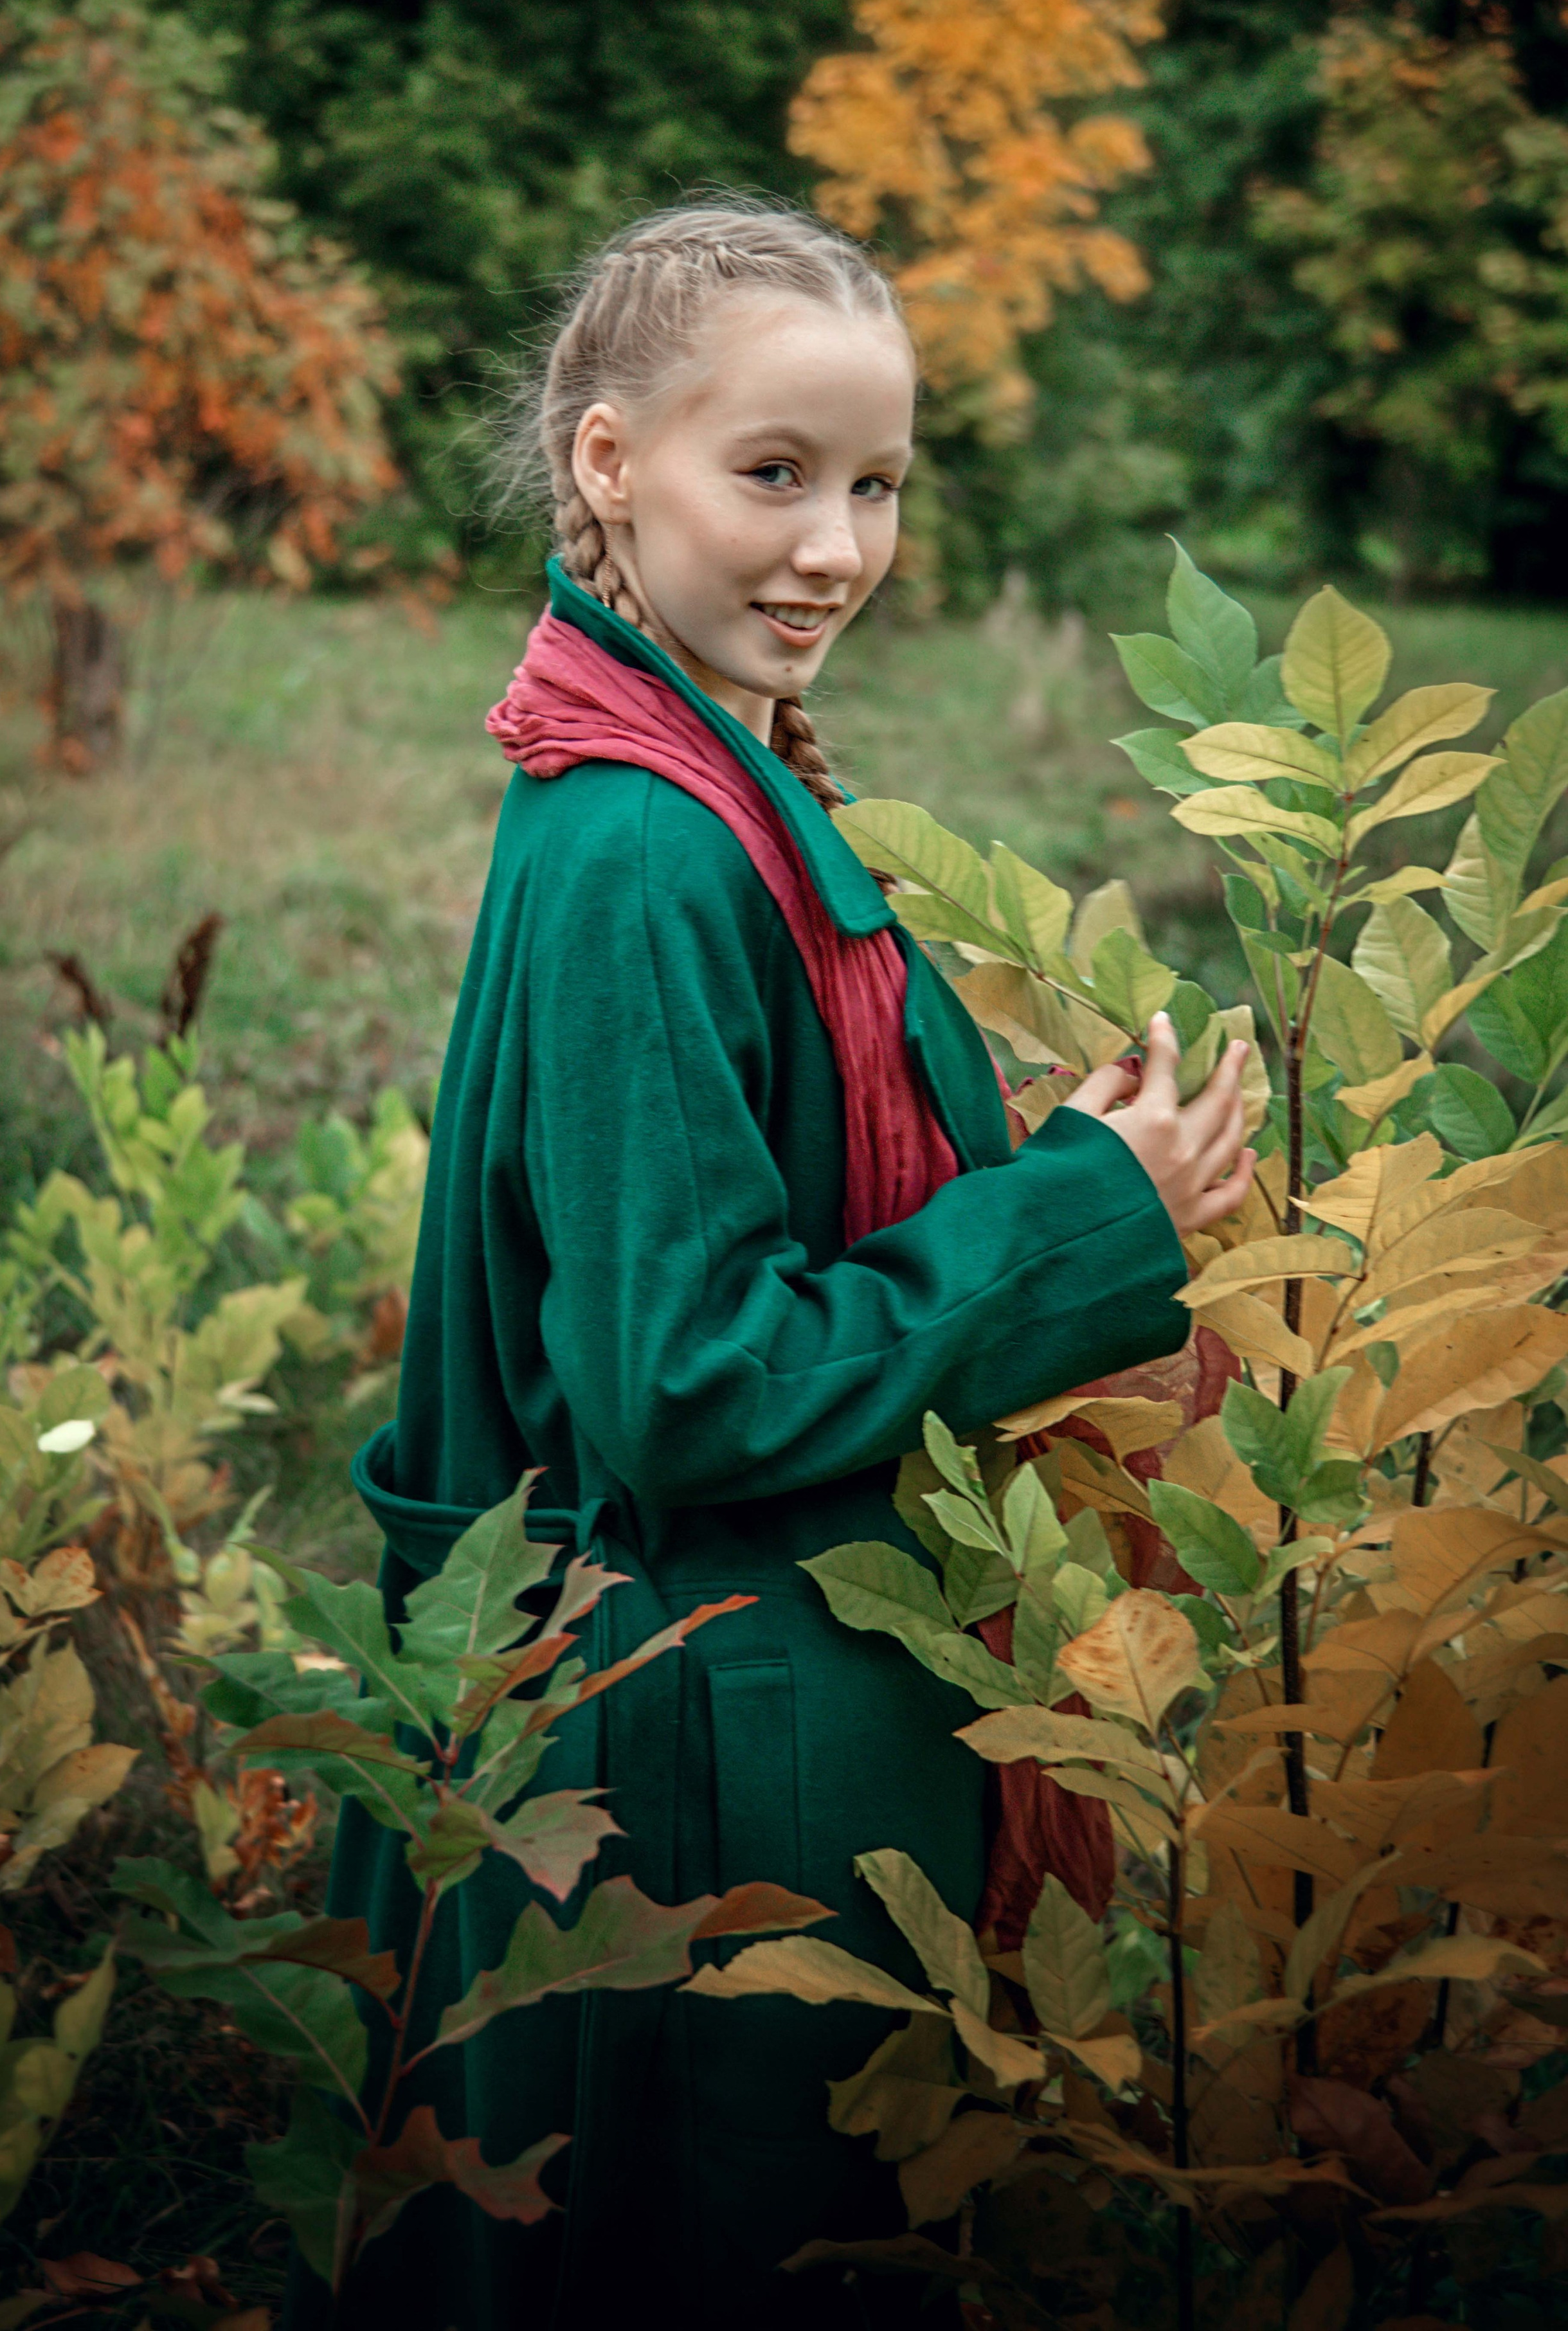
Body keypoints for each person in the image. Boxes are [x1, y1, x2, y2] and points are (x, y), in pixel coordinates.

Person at [318, 199, 1253, 2330]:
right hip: (681, 1766)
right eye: (776, 474)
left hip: (684, 1708)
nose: (835, 545)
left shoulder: (678, 768)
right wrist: (1092, 1213)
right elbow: (685, 1381)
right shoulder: (650, 836)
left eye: (878, 486)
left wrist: (1039, 1151)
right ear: (607, 461)